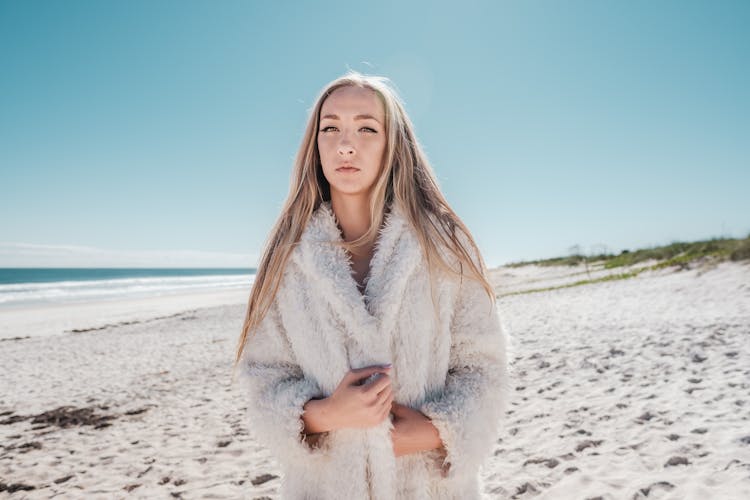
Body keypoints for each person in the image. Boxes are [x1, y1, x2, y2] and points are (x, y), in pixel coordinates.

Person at [232, 71, 511, 500]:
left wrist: (435, 431)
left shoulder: (444, 247)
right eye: (331, 128)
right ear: (315, 145)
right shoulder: (287, 259)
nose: (346, 144)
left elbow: (484, 368)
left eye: (367, 128)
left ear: (392, 143)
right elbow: (264, 378)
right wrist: (327, 414)